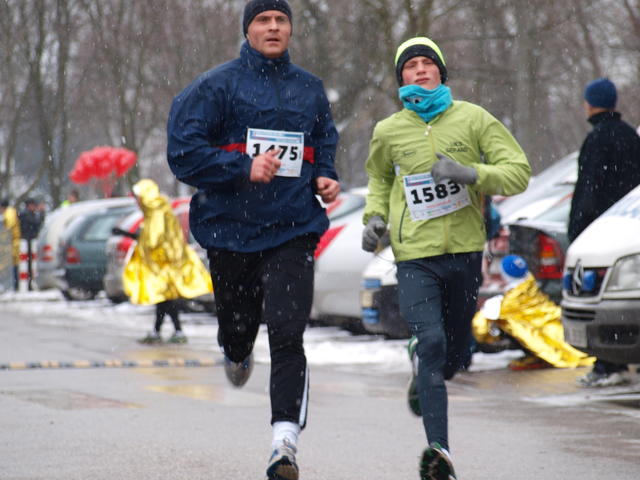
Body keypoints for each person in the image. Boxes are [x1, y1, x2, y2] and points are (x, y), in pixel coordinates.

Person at [166, 1, 339, 479]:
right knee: (238, 329)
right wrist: (243, 168)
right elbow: (182, 153)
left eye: (281, 20)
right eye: (263, 20)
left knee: (288, 332)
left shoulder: (309, 88)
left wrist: (325, 175)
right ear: (248, 30)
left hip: (293, 229)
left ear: (291, 30)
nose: (273, 27)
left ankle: (284, 444)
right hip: (231, 230)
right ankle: (236, 349)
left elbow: (323, 140)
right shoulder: (215, 86)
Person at [361, 36, 531, 480]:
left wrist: (472, 173)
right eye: (410, 66)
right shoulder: (388, 130)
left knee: (454, 354)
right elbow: (379, 179)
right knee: (433, 343)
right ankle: (439, 450)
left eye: (427, 63)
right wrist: (374, 218)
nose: (419, 70)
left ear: (440, 72)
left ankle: (426, 362)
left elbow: (519, 172)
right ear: (401, 78)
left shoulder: (473, 119)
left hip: (464, 252)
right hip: (414, 255)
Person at [568, 78, 640, 388]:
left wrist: (578, 229)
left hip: (602, 232)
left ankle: (608, 364)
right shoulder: (630, 135)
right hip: (628, 231)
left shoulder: (597, 138)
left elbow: (589, 189)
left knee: (596, 302)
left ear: (590, 103)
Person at [122, 179, 213, 345]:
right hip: (162, 264)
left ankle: (170, 331)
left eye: (138, 197)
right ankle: (164, 331)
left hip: (163, 265)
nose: (137, 201)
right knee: (164, 300)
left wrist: (137, 240)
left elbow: (154, 240)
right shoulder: (157, 211)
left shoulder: (157, 213)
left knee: (165, 299)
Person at [472, 255, 594, 371]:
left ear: (505, 275)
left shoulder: (511, 300)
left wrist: (487, 312)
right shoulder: (529, 284)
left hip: (543, 332)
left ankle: (537, 355)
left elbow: (481, 329)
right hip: (556, 325)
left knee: (505, 324)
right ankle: (536, 356)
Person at [18, 198, 44, 290]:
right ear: (29, 205)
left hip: (29, 242)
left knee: (30, 265)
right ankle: (28, 285)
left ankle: (29, 284)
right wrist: (41, 213)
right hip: (28, 242)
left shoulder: (26, 214)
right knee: (28, 265)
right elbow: (37, 223)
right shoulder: (26, 214)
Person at [1, 199, 21, 290]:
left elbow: (8, 229)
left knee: (12, 265)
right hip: (13, 242)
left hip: (12, 243)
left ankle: (13, 285)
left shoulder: (9, 214)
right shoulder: (11, 212)